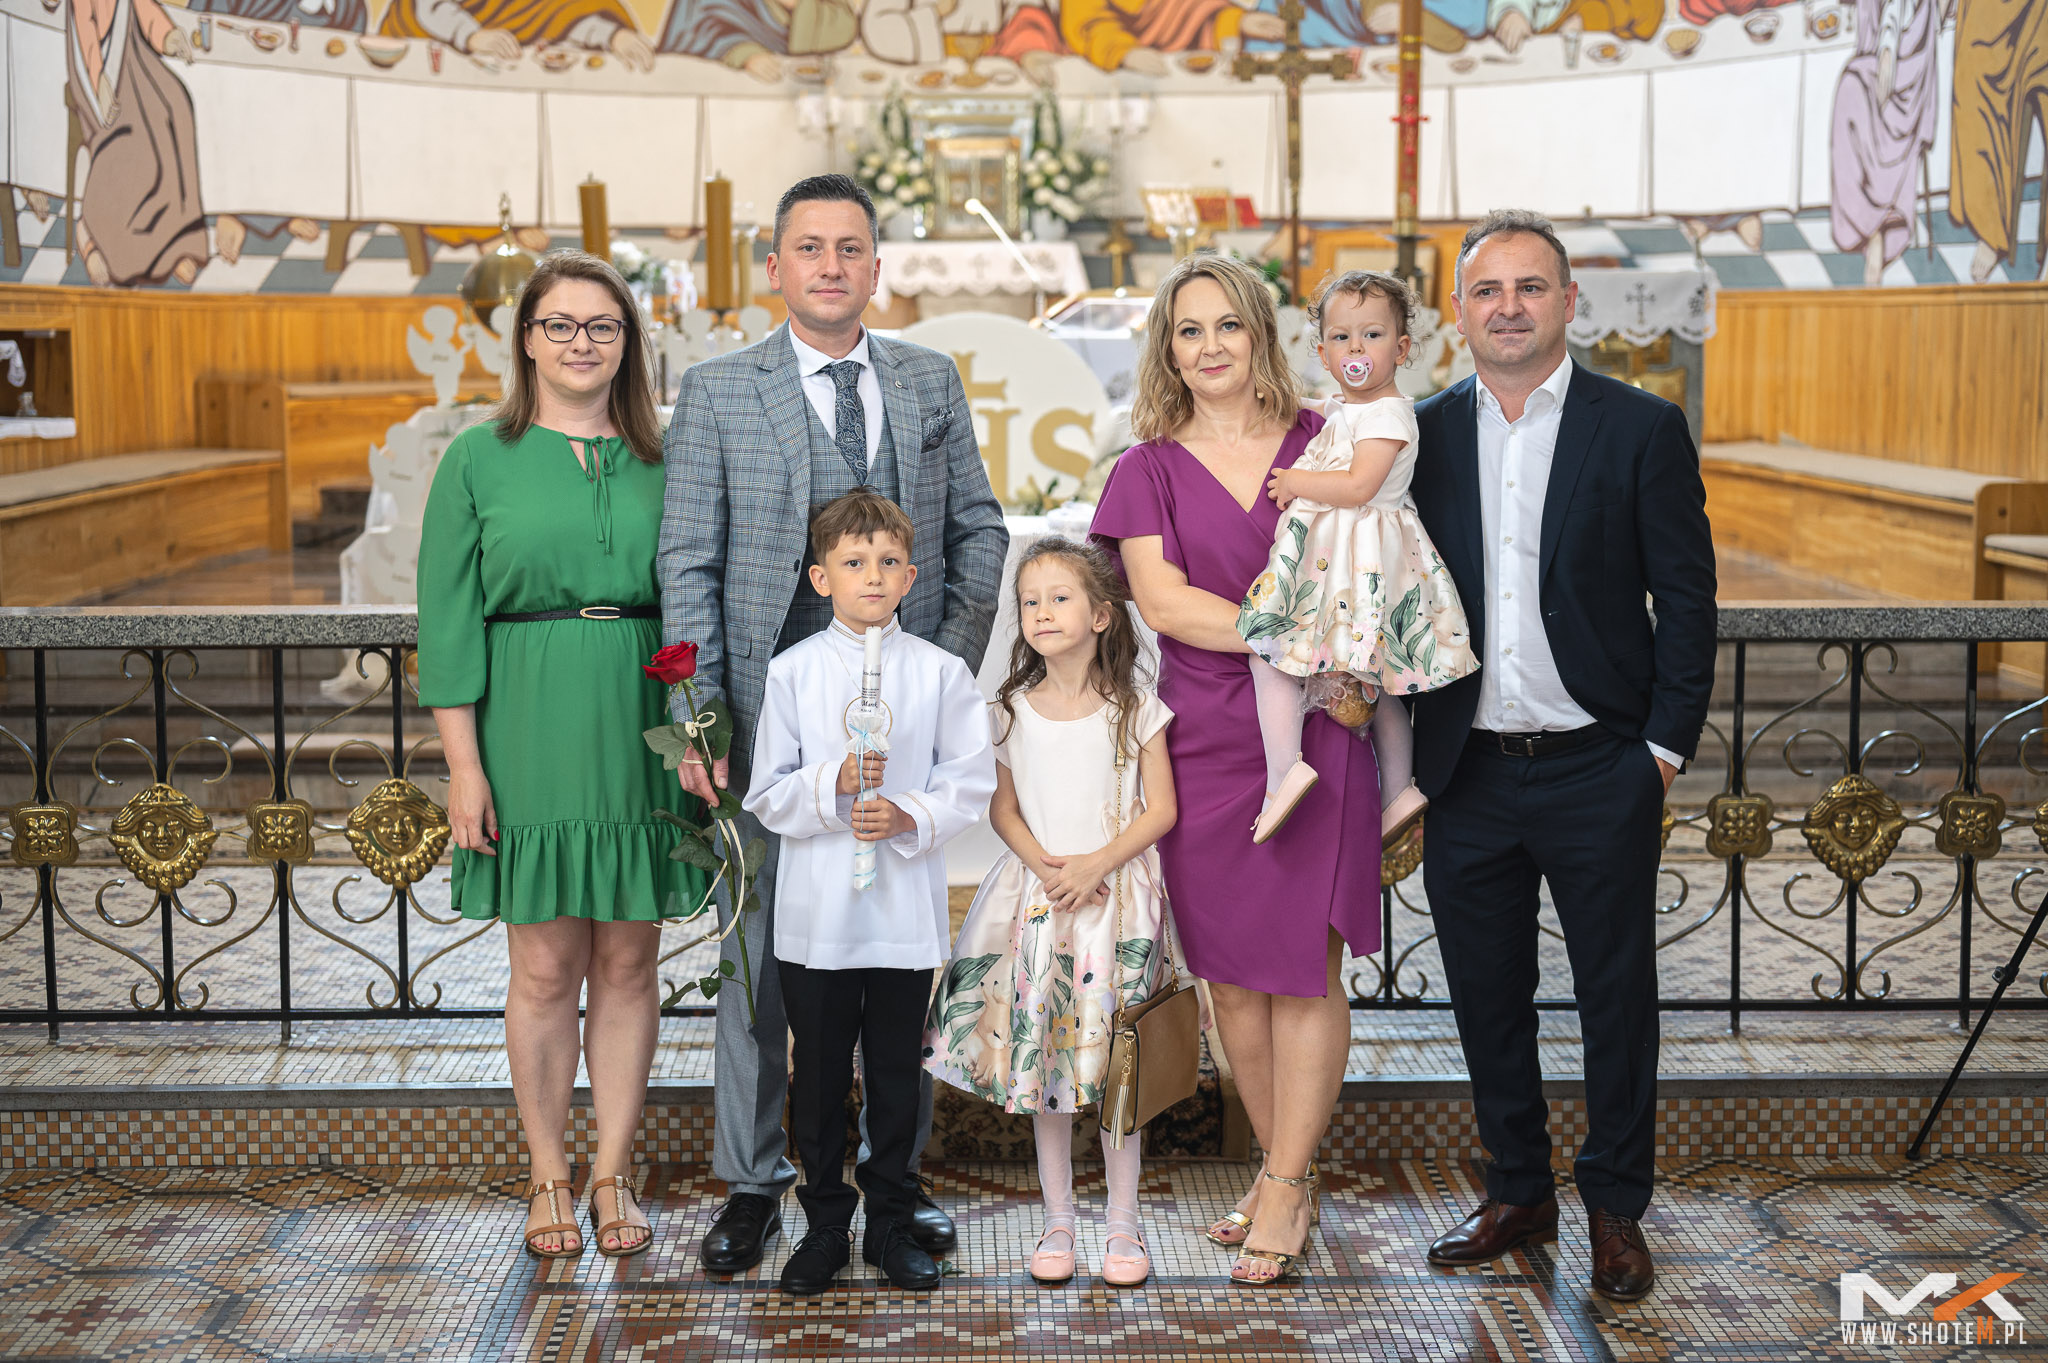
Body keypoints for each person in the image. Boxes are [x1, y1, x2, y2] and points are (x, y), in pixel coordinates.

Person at [659, 173, 1008, 1276]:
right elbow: (688, 561)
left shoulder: (926, 379)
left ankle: (894, 1188)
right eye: (808, 247)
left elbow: (978, 531)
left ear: (875, 267)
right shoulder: (719, 390)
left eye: (849, 247)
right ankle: (754, 1181)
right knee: (762, 967)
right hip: (764, 725)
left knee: (897, 969)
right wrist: (700, 720)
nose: (830, 265)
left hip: (899, 722)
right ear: (775, 267)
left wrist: (937, 675)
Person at [1407, 209, 1716, 1303]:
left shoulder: (1638, 428)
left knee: (1614, 996)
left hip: (1600, 763)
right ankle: (1517, 1189)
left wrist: (1660, 752)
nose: (1509, 307)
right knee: (1486, 995)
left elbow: (1686, 600)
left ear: (1568, 302)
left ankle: (1616, 1207)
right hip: (1469, 767)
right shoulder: (1419, 437)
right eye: (1487, 289)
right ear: (1457, 310)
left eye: (1530, 287)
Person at [1090, 251, 1381, 1287]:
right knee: (1231, 982)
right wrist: (1293, 634)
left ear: (1259, 330)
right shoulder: (1146, 469)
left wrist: (1319, 652)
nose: (1209, 346)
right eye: (1188, 329)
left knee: (1303, 967)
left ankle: (1288, 1182)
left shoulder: (1328, 442)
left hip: (1320, 730)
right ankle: (1276, 1166)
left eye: (1226, 324)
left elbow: (1378, 561)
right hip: (1207, 741)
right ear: (1166, 351)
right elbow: (1164, 604)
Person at [418, 250, 711, 1261]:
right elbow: (447, 624)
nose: (581, 342)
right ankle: (547, 1169)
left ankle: (611, 1169)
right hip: (526, 721)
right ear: (527, 340)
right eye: (561, 324)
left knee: (630, 958)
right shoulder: (477, 457)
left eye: (603, 326)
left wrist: (698, 731)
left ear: (629, 343)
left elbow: (697, 597)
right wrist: (464, 767)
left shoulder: (669, 453)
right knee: (544, 964)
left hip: (642, 718)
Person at [743, 490, 998, 1295]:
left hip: (900, 913)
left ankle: (889, 1219)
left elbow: (971, 780)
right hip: (817, 917)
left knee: (894, 1074)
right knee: (818, 1078)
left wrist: (907, 812)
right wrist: (834, 783)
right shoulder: (791, 673)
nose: (874, 575)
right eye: (854, 562)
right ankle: (824, 1222)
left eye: (889, 561)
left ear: (911, 576)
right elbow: (768, 793)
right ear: (821, 577)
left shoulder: (940, 673)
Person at [924, 537, 1178, 1289]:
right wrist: (1048, 869)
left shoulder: (1135, 707)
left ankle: (1124, 1221)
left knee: (1119, 1066)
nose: (1040, 612)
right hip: (1039, 905)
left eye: (1059, 598)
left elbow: (1161, 809)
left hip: (1115, 906)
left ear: (1101, 615)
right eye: (1029, 601)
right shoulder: (1009, 712)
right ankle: (1058, 1219)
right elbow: (1003, 810)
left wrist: (1096, 863)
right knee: (1046, 1065)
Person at [1234, 270, 1477, 846]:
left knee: (1270, 647)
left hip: (1359, 561)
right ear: (1322, 352)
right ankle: (1398, 790)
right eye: (1341, 338)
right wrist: (1282, 399)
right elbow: (1330, 408)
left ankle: (1285, 771)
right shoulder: (1354, 406)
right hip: (1348, 556)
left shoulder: (1388, 414)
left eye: (1372, 335)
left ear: (1401, 348)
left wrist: (1298, 481)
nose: (1356, 349)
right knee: (1376, 679)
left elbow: (1361, 484)